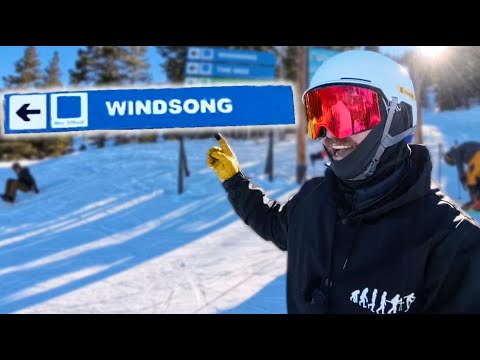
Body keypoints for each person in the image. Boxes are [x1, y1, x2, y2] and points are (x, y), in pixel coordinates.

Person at [207, 50, 480, 314]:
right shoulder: (313, 199)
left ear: (397, 116)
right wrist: (234, 180)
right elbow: (271, 223)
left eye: (350, 115)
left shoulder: (452, 241)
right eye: (320, 117)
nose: (328, 135)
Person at [444, 142, 480, 210]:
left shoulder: (455, 151)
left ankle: (476, 201)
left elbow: (459, 165)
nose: (454, 162)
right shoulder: (462, 148)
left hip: (478, 156)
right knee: (476, 177)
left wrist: (463, 179)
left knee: (470, 178)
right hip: (477, 158)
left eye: (453, 162)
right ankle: (476, 200)